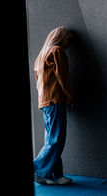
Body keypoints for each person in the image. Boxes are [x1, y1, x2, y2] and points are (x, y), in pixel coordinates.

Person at [33, 26, 75, 185]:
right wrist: (70, 97)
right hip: (56, 99)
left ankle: (54, 175)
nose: (68, 43)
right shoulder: (57, 51)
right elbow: (62, 78)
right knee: (57, 138)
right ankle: (38, 167)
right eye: (68, 39)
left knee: (51, 138)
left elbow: (38, 81)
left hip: (44, 101)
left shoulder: (42, 54)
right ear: (61, 38)